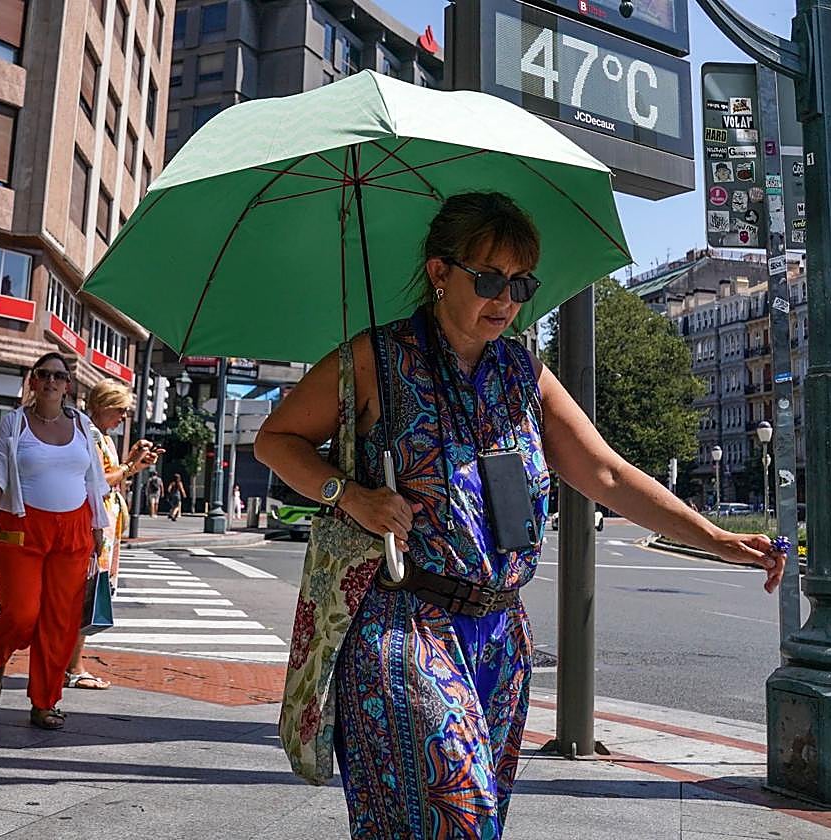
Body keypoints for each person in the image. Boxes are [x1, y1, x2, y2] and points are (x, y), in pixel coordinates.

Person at [254, 191, 786, 837]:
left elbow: (606, 473)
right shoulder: (375, 357)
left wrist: (714, 539)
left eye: (520, 283)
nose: (505, 299)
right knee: (459, 816)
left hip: (501, 633)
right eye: (488, 279)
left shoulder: (523, 373)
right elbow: (276, 441)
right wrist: (350, 494)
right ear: (439, 272)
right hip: (403, 621)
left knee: (471, 817)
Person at [0, 352, 110, 729]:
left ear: (69, 385)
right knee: (22, 615)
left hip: (74, 530)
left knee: (61, 622)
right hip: (20, 526)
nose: (51, 381)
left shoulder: (83, 426)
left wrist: (98, 530)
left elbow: (93, 483)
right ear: (33, 381)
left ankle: (45, 701)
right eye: (44, 375)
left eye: (59, 376)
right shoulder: (14, 424)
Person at [64, 378, 158, 691]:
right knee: (85, 597)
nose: (123, 417)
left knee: (89, 595)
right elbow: (99, 480)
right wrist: (130, 467)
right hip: (93, 526)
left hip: (102, 525)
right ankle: (72, 665)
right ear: (104, 406)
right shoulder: (90, 432)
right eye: (120, 410)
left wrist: (131, 461)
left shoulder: (100, 434)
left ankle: (70, 663)